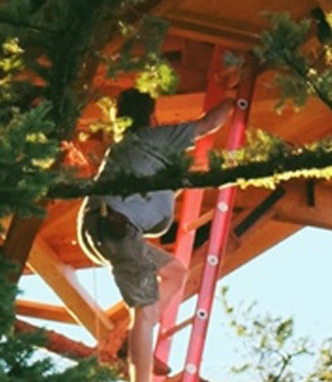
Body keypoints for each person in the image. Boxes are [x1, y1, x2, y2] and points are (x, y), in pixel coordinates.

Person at [77, 87, 236, 382]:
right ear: (152, 117)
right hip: (117, 228)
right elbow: (209, 123)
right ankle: (141, 356)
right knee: (146, 315)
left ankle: (137, 329)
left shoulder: (125, 147)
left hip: (106, 228)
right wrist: (235, 98)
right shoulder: (156, 138)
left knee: (175, 271)